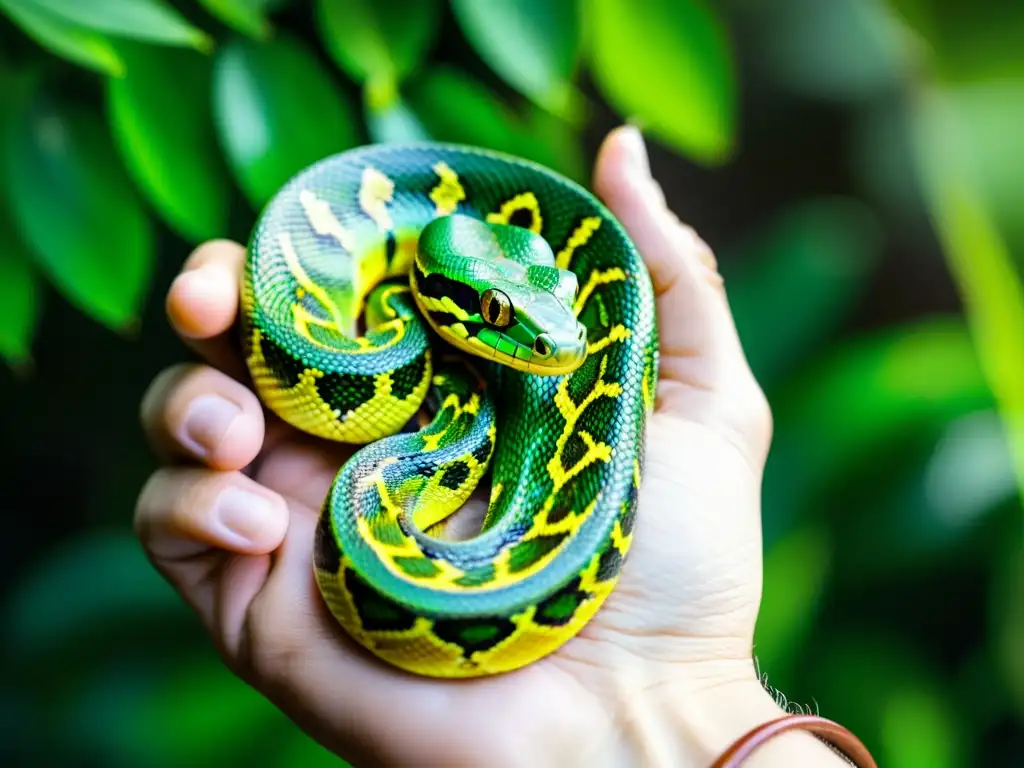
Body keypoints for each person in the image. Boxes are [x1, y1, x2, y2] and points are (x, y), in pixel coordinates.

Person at [135, 127, 860, 766]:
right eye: (493, 312)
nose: (561, 340)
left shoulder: (531, 338)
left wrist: (664, 699)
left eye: (561, 297)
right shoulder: (402, 364)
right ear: (430, 291)